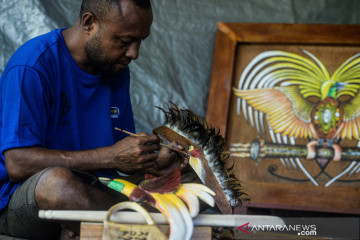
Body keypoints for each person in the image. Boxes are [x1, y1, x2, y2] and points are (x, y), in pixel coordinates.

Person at [0, 0, 185, 239]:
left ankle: (104, 225)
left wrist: (153, 161)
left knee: (189, 178)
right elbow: (18, 163)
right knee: (57, 184)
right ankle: (153, 231)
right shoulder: (32, 65)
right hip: (25, 200)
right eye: (124, 41)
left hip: (93, 190)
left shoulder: (115, 68)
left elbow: (119, 153)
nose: (134, 53)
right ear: (89, 23)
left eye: (140, 41)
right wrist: (112, 155)